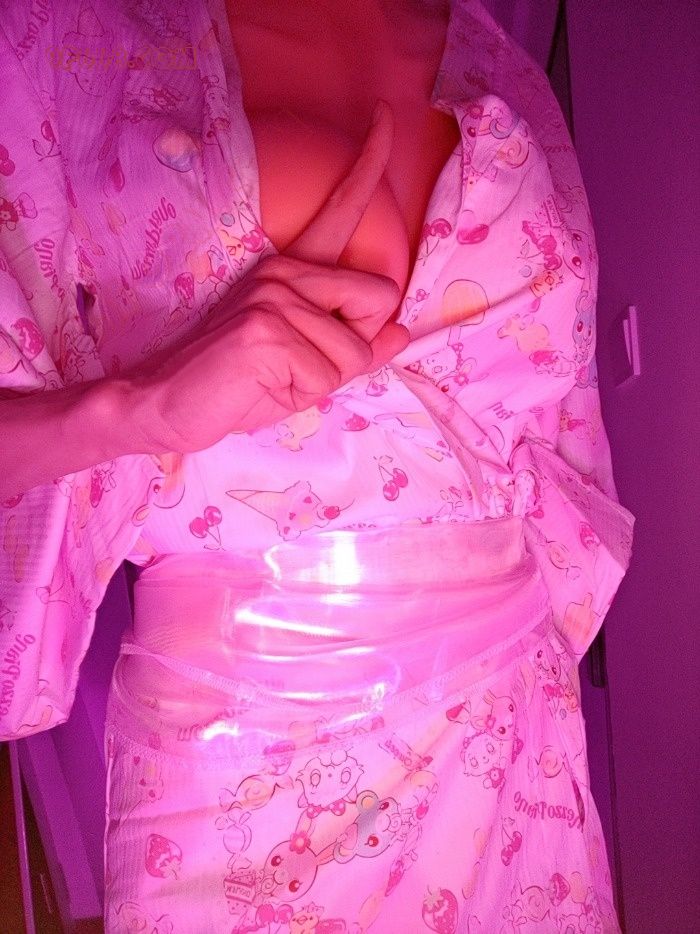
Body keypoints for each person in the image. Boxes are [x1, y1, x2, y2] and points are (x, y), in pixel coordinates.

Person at [0, 0, 634, 930]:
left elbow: (557, 424)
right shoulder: (60, 34)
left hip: (514, 723)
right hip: (249, 758)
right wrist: (141, 405)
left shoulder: (496, 59)